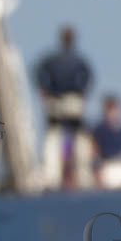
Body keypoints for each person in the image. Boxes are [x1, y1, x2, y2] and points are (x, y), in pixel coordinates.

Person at [34, 26, 94, 189]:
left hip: (55, 100)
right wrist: (82, 91)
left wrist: (44, 89)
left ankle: (52, 176)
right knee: (78, 137)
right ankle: (83, 176)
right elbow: (88, 76)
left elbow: (38, 72)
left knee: (54, 137)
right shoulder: (78, 59)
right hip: (72, 99)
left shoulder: (52, 59)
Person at [91, 94, 121, 161]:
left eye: (116, 109)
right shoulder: (99, 129)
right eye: (111, 110)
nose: (114, 113)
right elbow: (95, 149)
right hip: (107, 163)